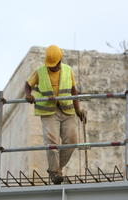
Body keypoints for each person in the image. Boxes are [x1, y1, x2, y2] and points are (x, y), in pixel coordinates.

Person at [25, 45, 86, 184]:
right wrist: (28, 95)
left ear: (60, 60)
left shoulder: (68, 70)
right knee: (52, 143)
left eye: (55, 64)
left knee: (72, 142)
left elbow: (73, 91)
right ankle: (55, 172)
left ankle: (55, 169)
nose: (53, 67)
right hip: (49, 112)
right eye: (51, 65)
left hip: (67, 111)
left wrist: (78, 110)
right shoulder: (40, 72)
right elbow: (27, 85)